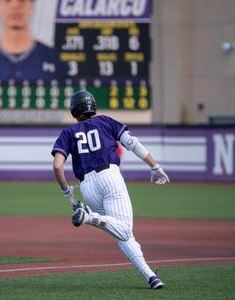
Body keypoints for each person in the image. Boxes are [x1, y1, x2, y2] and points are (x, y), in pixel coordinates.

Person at [51, 90, 170, 289]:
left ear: (74, 110)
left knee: (121, 233)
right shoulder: (105, 121)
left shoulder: (68, 132)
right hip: (110, 177)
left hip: (86, 186)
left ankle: (151, 276)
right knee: (124, 230)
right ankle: (89, 218)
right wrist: (155, 166)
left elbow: (57, 166)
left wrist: (66, 191)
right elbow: (133, 144)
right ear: (93, 107)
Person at [0, 0, 66, 82]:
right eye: (7, 0)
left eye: (21, 0)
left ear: (31, 5)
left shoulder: (55, 59)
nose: (15, 5)